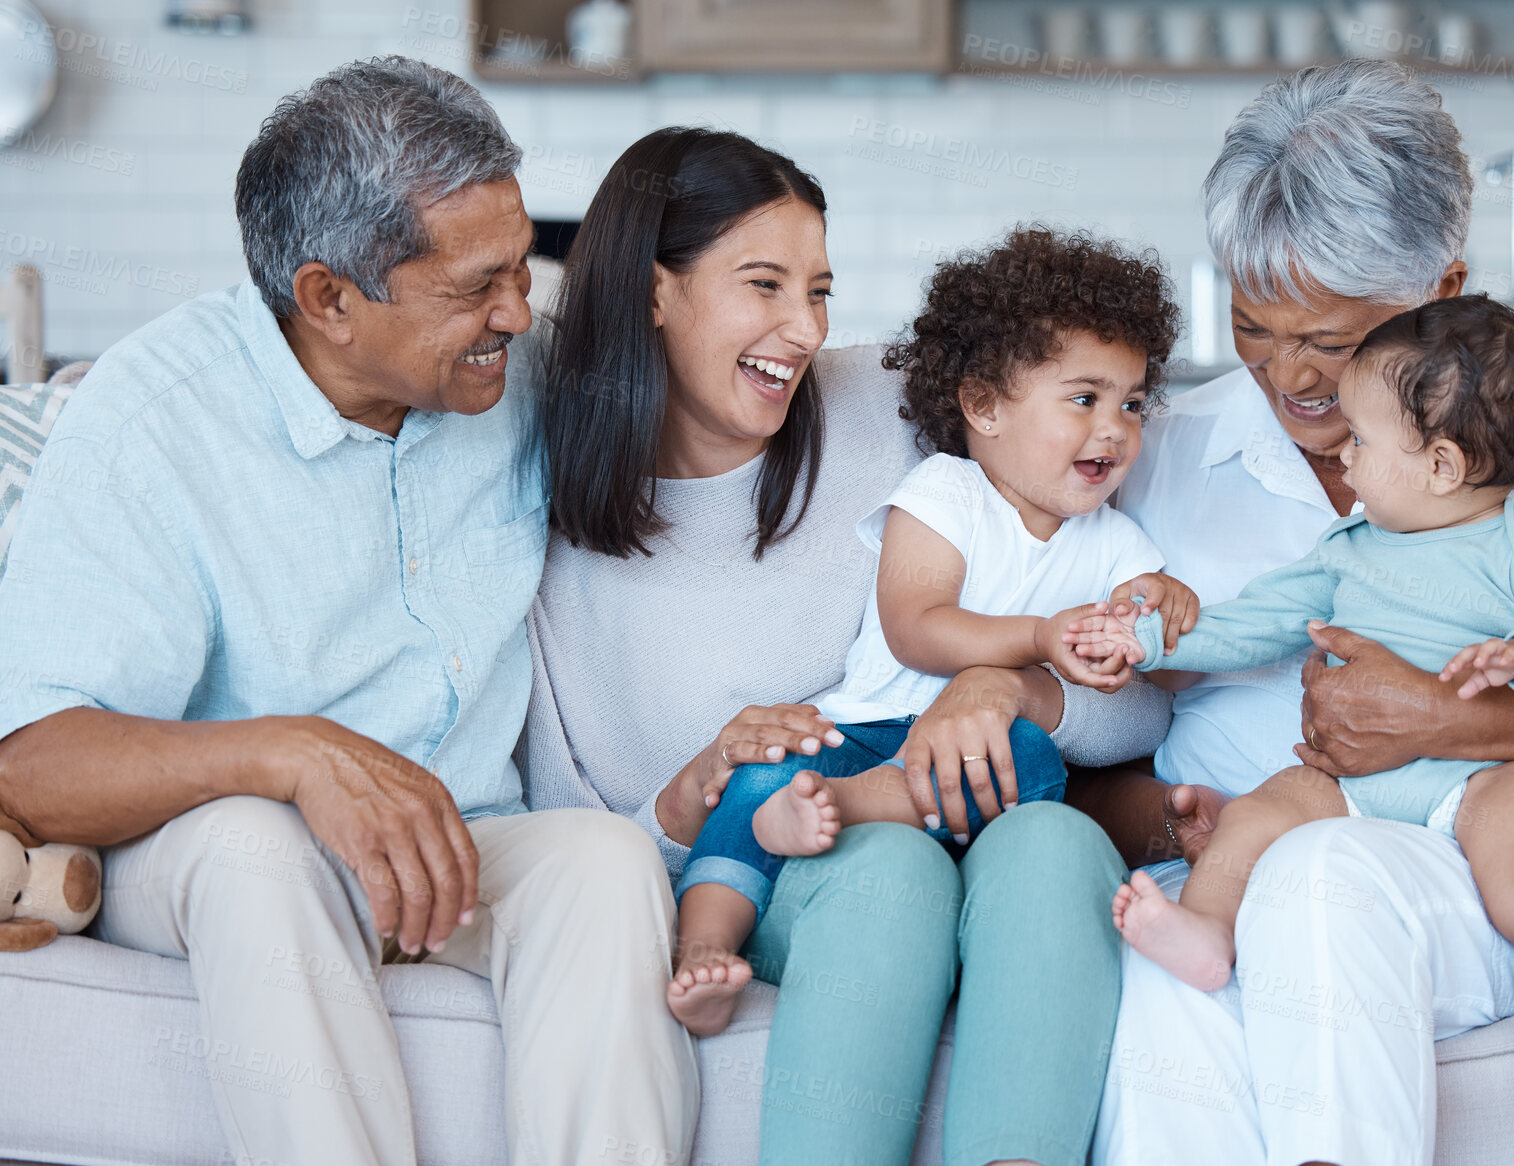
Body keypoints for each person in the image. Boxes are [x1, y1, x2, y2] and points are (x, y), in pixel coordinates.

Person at [0, 58, 695, 1166]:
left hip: (458, 831)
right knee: (251, 844)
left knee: (602, 862)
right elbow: (32, 764)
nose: (517, 312)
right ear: (328, 298)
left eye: (521, 268)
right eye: (475, 287)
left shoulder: (517, 374)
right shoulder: (154, 422)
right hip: (211, 853)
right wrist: (291, 754)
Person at [1072, 59, 1514, 1166]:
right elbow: (1090, 734)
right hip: (1251, 853)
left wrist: (1446, 721)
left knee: (1321, 883)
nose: (1288, 377)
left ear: (1444, 285)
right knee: (1164, 980)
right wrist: (1171, 820)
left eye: (1330, 340)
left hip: (1513, 876)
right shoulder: (1163, 448)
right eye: (1254, 327)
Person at [517, 128, 1175, 1166]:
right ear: (654, 293)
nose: (803, 328)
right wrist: (700, 785)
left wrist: (1003, 684)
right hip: (780, 865)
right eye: (764, 285)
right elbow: (580, 841)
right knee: (886, 872)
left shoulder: (901, 409)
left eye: (818, 290)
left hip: (988, 803)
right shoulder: (547, 527)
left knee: (1057, 848)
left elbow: (1136, 704)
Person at [1084, 295, 1514, 1133]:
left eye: (1364, 441)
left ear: (1443, 466)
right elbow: (1246, 624)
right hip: (1354, 781)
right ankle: (1204, 929)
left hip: (1485, 778)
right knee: (1260, 814)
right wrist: (1150, 643)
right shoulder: (1348, 549)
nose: (1344, 452)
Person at [667, 227, 1194, 1038]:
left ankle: (827, 809)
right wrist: (1042, 637)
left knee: (1036, 759)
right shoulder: (947, 493)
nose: (1117, 427)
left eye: (1131, 402)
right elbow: (917, 628)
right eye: (1084, 399)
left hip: (975, 774)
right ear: (983, 405)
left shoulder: (1117, 543)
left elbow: (1154, 678)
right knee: (761, 769)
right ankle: (704, 948)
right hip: (868, 731)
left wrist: (1163, 610)